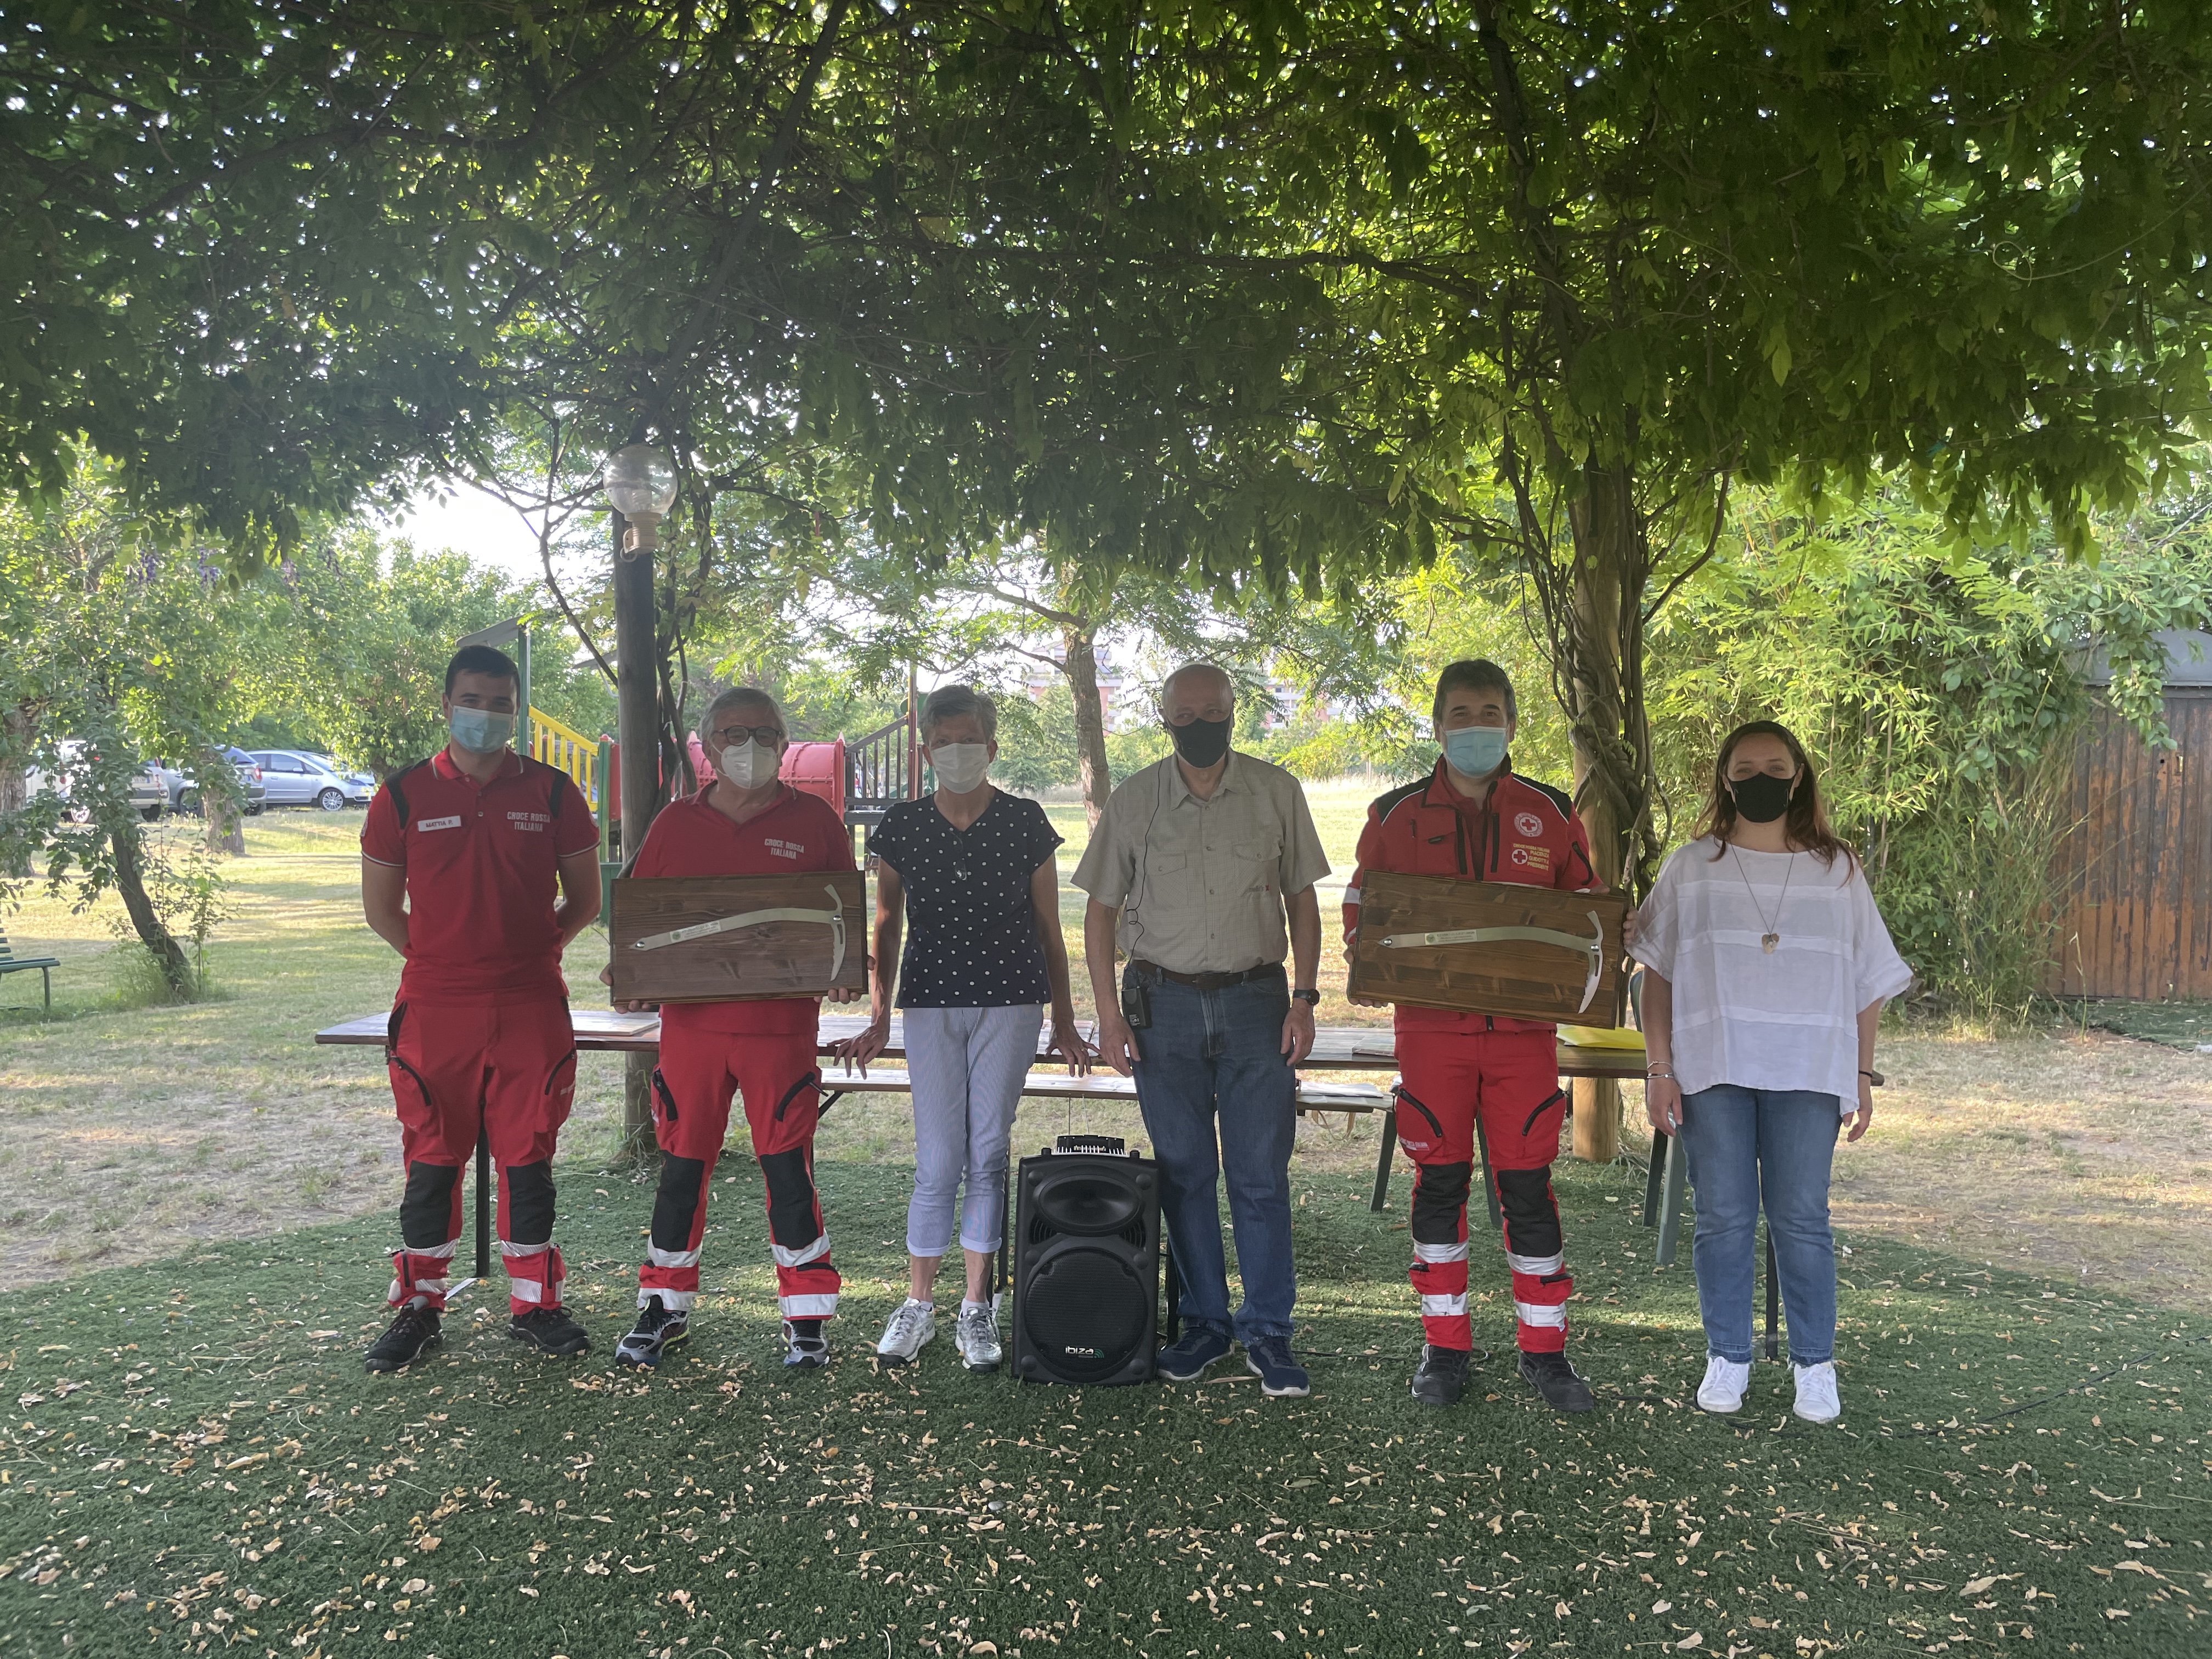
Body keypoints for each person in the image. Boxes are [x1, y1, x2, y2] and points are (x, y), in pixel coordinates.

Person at [1630, 720, 1912, 1424]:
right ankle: (1728, 1355)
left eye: (1776, 768)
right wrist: (1659, 1068)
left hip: (1810, 1070)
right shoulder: (1692, 867)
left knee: (1801, 1218)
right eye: (1745, 769)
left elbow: (1868, 980)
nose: (1762, 779)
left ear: (1799, 776)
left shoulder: (1838, 869)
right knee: (1722, 1215)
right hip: (1711, 1066)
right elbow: (1656, 972)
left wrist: (1861, 1073)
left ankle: (1815, 1365)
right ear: (1725, 781)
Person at [1342, 659, 1603, 1412]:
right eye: (1461, 714)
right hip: (1432, 1038)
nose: (1476, 727)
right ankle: (1445, 1349)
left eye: (1490, 713)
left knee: (1528, 1190)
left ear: (1512, 723)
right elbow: (1361, 912)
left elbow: (1586, 915)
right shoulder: (1393, 815)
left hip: (1524, 1040)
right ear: (1438, 726)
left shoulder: (1550, 812)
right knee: (1439, 1186)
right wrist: (1375, 962)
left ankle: (1546, 1352)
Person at [1075, 663, 1328, 1398]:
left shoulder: (1277, 792)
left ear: (1233, 712)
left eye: (1213, 712)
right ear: (1165, 720)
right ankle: (1204, 1325)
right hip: (1163, 1007)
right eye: (1184, 716)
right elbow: (1100, 913)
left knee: (1260, 1177)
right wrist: (1108, 1015)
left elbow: (1302, 901)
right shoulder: (1135, 800)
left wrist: (1306, 999)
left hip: (1258, 1005)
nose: (1200, 726)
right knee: (1184, 1174)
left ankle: (1269, 1331)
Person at [358, 644, 604, 1373]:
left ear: (516, 711)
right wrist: (447, 961)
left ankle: (536, 1305)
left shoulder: (554, 792)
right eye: (473, 701)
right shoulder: (402, 796)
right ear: (447, 705)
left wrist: (531, 956)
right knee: (432, 1161)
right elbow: (382, 912)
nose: (486, 715)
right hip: (436, 1010)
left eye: (501, 704)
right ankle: (419, 1307)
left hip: (531, 1006)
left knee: (529, 1159)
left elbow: (585, 900)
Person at [838, 684, 1092, 1373]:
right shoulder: (902, 825)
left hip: (1011, 1003)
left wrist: (1065, 1020)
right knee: (938, 1159)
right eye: (944, 742)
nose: (957, 752)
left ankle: (976, 1306)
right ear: (926, 752)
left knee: (986, 1153)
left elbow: (1049, 929)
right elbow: (886, 925)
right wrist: (878, 1017)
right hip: (930, 1002)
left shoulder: (1025, 821)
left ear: (992, 747)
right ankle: (918, 1304)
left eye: (969, 741)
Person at [608, 687, 861, 1370]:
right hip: (691, 1034)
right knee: (682, 1171)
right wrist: (630, 976)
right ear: (709, 746)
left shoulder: (816, 822)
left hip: (781, 1032)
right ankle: (663, 1307)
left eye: (765, 732)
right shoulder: (674, 824)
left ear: (784, 742)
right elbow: (642, 924)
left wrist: (845, 972)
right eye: (734, 733)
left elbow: (841, 924)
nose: (750, 745)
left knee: (788, 1172)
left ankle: (807, 1316)